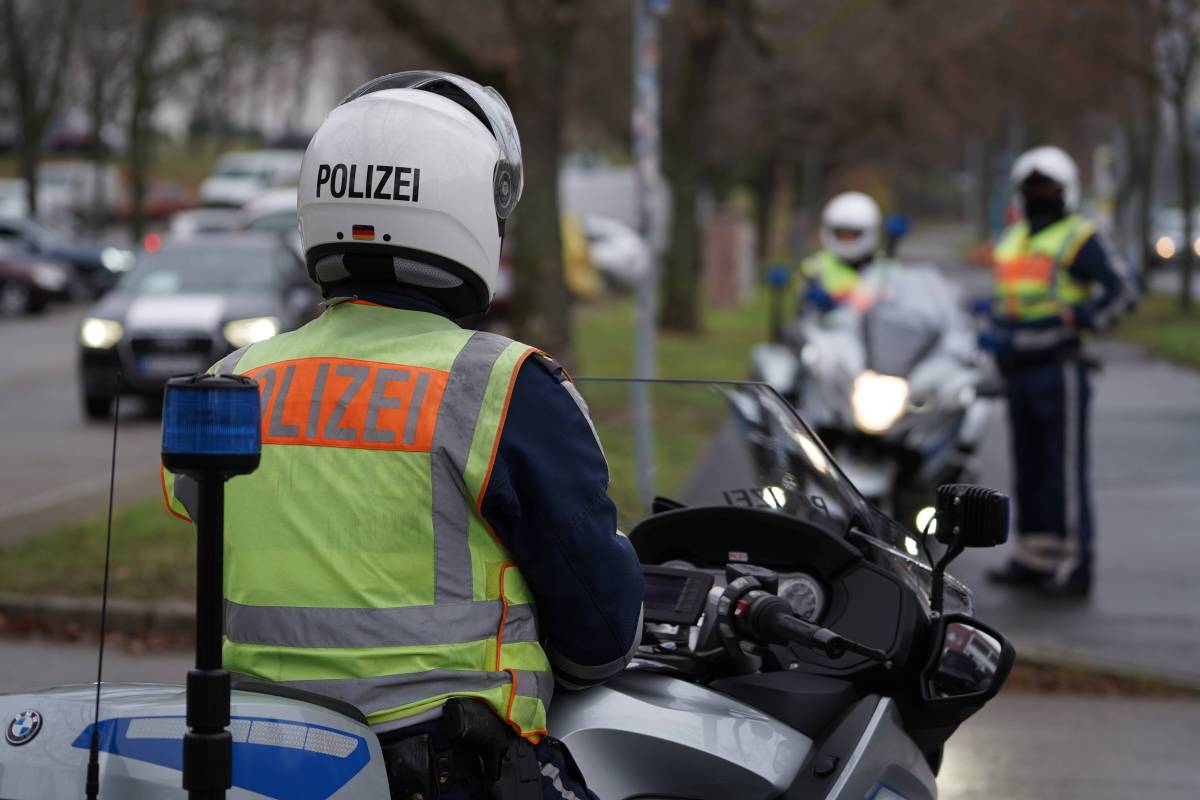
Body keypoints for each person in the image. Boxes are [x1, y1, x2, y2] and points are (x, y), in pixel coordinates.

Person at [163, 71, 643, 799]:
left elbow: (208, 517)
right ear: (471, 209)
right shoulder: (501, 386)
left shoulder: (232, 381)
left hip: (253, 763)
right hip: (443, 770)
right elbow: (600, 634)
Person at [982, 145, 1137, 598]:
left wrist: (1085, 321)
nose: (1038, 195)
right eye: (1031, 188)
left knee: (1061, 473)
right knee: (1028, 468)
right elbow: (1005, 300)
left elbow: (1124, 290)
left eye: (1046, 188)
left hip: (1059, 370)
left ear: (1066, 192)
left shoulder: (1078, 237)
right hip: (1018, 370)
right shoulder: (1013, 238)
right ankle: (1035, 559)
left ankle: (1074, 566)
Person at [799, 191, 883, 313]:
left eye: (852, 234)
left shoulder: (886, 268)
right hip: (830, 328)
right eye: (841, 233)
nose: (846, 238)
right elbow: (805, 310)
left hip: (874, 329)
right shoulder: (814, 267)